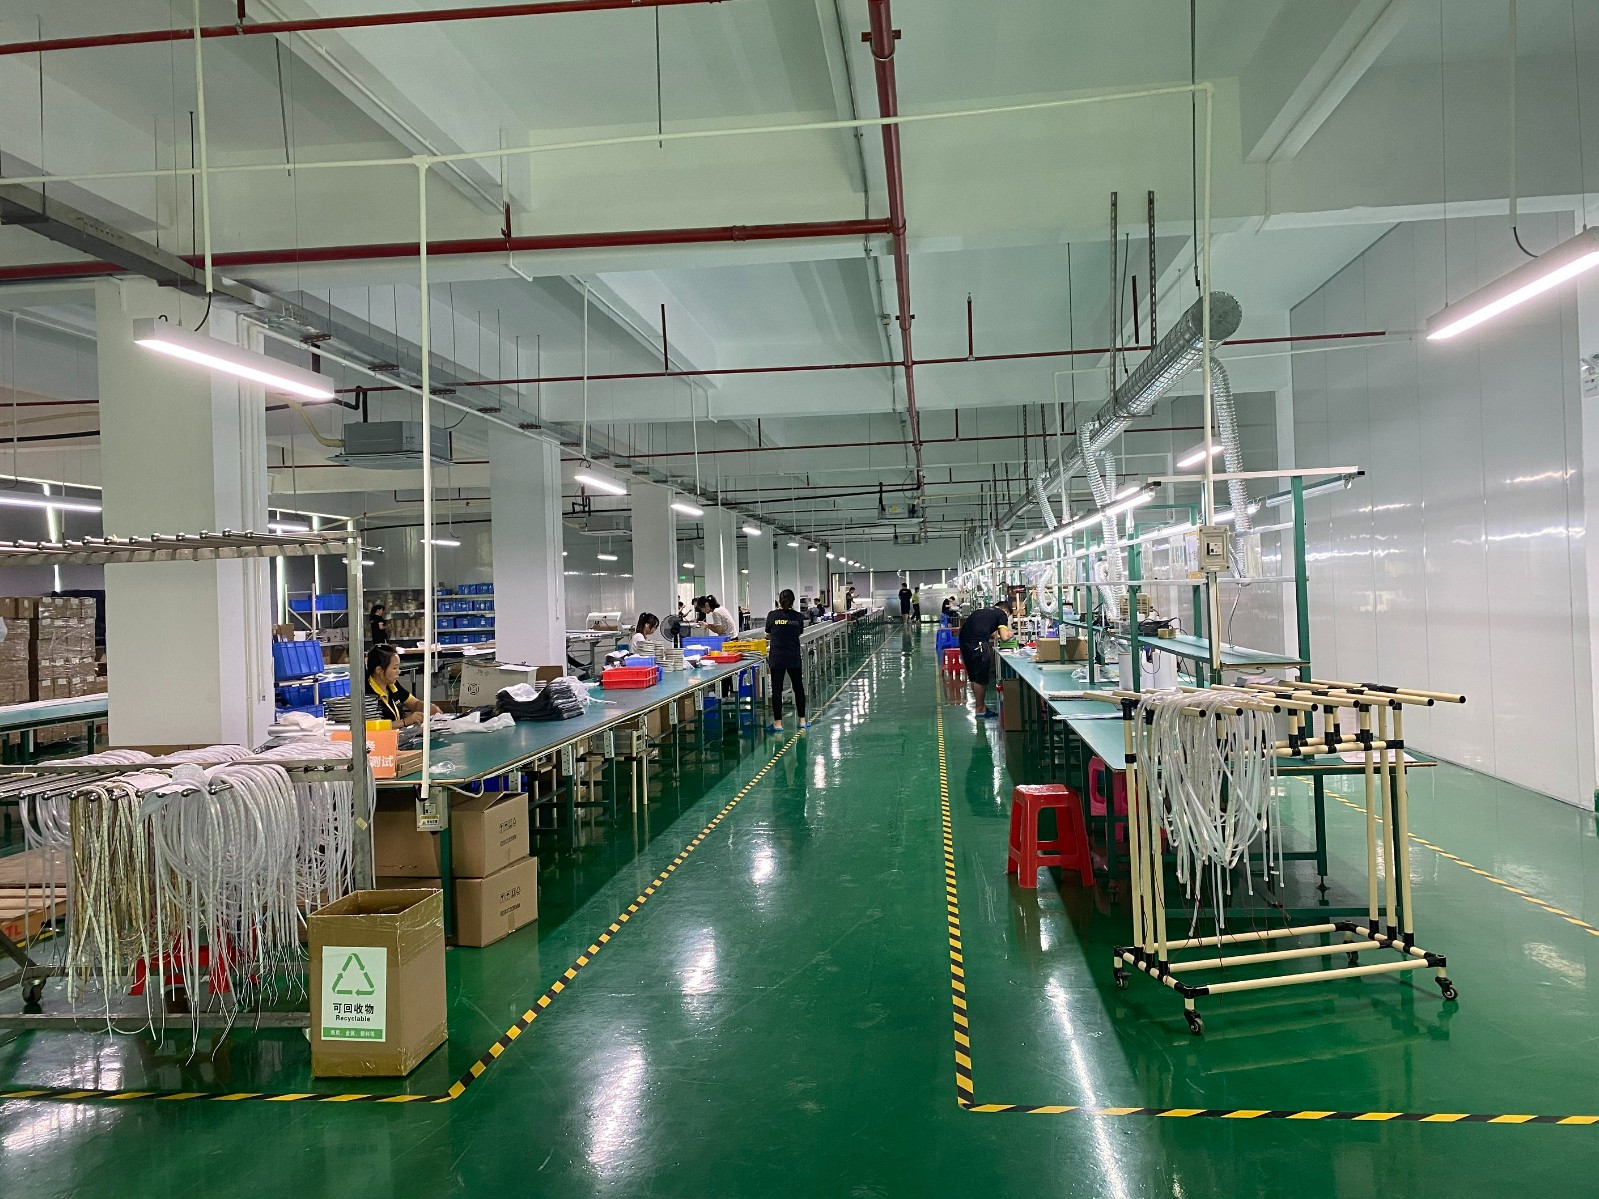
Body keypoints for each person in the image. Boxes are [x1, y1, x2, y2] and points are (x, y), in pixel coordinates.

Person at [959, 598, 1012, 720]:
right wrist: (1011, 633)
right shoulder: (1002, 614)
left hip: (964, 643)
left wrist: (994, 633)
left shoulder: (982, 611)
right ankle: (980, 709)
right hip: (979, 644)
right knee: (981, 678)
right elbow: (1004, 637)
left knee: (974, 677)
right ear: (1005, 610)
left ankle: (980, 707)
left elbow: (983, 628)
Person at [764, 588, 808, 733]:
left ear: (779, 600)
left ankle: (778, 723)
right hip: (793, 656)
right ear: (793, 601)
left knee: (777, 690)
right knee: (798, 688)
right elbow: (799, 633)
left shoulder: (772, 615)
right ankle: (802, 721)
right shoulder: (798, 617)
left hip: (777, 657)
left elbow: (768, 633)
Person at [365, 644, 438, 727]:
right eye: (395, 668)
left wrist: (430, 708)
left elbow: (414, 704)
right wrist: (405, 722)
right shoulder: (367, 694)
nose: (399, 671)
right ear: (379, 670)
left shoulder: (392, 685)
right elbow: (370, 727)